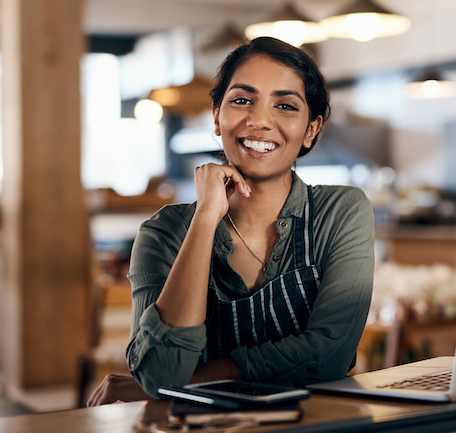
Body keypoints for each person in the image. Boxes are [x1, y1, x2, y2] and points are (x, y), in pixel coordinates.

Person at [87, 37, 375, 406]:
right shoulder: (163, 233)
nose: (259, 120)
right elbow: (160, 370)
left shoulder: (340, 211)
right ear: (216, 117)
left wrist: (192, 381)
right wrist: (206, 217)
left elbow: (328, 356)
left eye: (285, 105)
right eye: (242, 100)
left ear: (311, 130)